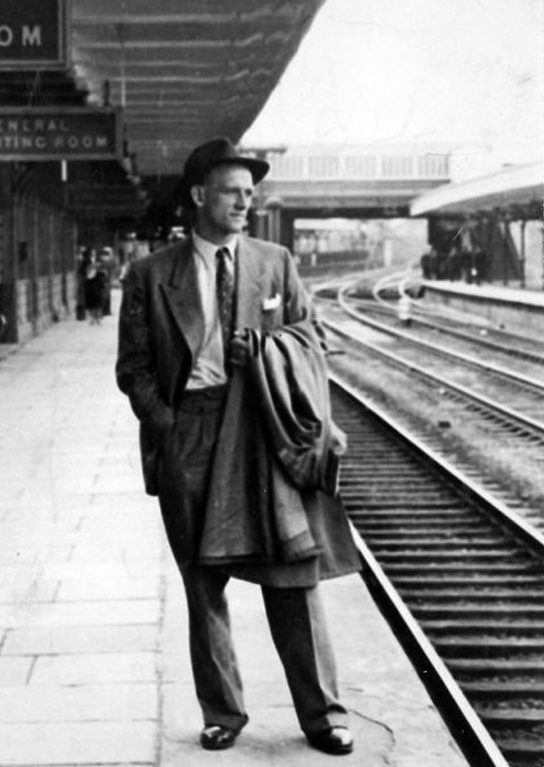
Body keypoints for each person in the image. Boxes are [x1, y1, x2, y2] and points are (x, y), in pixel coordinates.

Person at [116, 137, 361, 756]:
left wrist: (270, 349)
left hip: (262, 431)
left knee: (293, 571)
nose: (245, 202)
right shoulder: (150, 274)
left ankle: (323, 715)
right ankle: (223, 711)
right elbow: (133, 368)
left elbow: (312, 335)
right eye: (232, 191)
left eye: (250, 193)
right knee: (203, 583)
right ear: (200, 196)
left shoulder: (274, 262)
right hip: (191, 432)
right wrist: (168, 424)